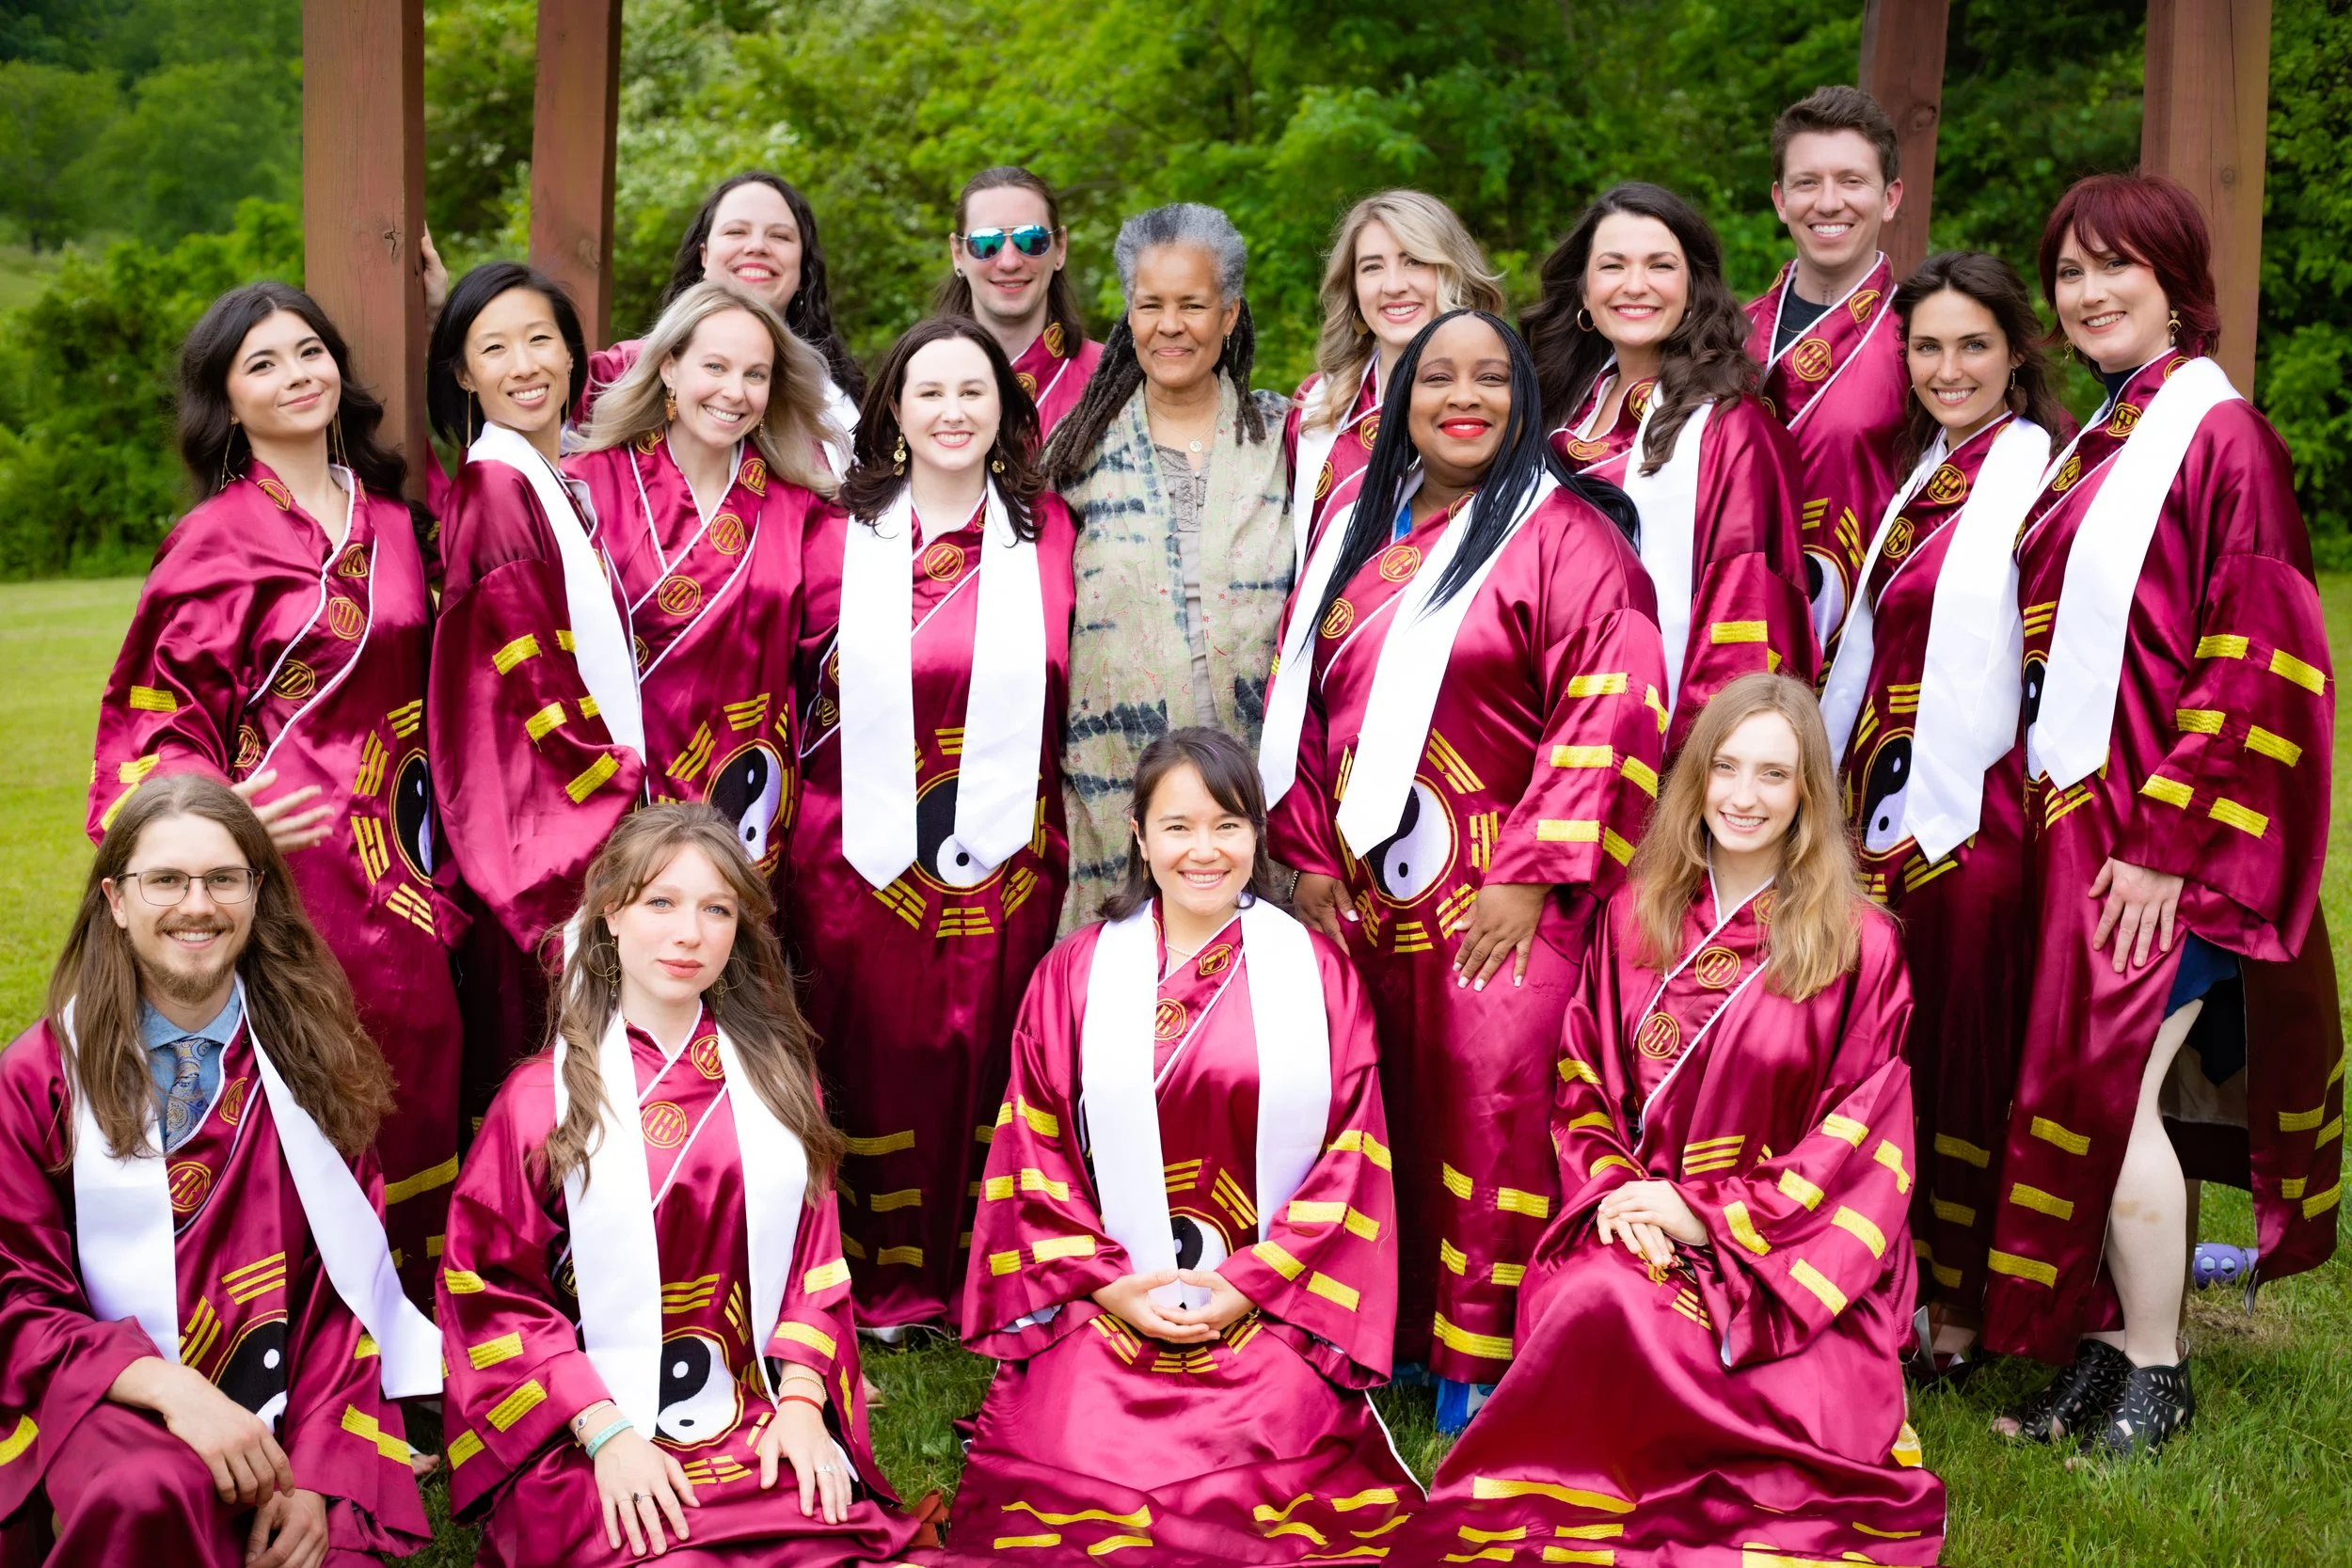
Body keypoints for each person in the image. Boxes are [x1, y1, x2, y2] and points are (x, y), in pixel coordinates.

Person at [1401, 673, 1945, 1564]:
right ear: (1693, 777)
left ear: (1809, 789)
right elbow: (1583, 1081)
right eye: (1724, 767)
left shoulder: (1859, 942)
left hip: (1784, 1259)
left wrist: (1708, 1216)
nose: (1742, 795)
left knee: (1758, 1375)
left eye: (1773, 774)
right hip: (1637, 1225)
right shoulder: (1635, 912)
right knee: (1595, 1297)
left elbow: (1863, 1135)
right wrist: (1617, 1195)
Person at [1263, 309, 1669, 1430]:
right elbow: (1301, 697)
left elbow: (1615, 693)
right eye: (1437, 375)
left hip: (1500, 892)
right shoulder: (1353, 518)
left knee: (1496, 1111)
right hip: (1361, 895)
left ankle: (1476, 1362)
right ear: (1399, 399)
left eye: (1491, 377)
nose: (1465, 396)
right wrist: (1300, 857)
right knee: (1377, 1111)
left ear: (1524, 398)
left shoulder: (1566, 532)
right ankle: (1383, 1332)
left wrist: (1533, 870)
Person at [1985, 173, 2339, 1458]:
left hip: (2155, 838)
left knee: (2119, 1089)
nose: (2087, 292)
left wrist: (2160, 841)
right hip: (2078, 822)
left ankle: (2156, 1364)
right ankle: (2103, 1336)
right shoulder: (2113, 431)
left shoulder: (2218, 436)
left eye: (2114, 266)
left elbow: (2253, 656)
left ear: (2175, 275)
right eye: (2069, 271)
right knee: (2082, 1087)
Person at [935, 729, 1421, 1565]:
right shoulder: (1077, 973)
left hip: (1268, 1304)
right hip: (1111, 1296)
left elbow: (1352, 1156)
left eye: (1228, 825)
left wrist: (1251, 1286)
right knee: (1080, 1458)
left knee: (1269, 1467)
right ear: (1138, 835)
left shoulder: (1317, 975)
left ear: (1256, 837)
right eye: (1178, 826)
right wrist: (1109, 1287)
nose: (1205, 850)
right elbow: (1034, 1148)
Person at [88, 281, 463, 1306]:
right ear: (227, 401)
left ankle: (417, 1319)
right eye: (262, 363)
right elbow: (155, 715)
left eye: (309, 351)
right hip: (287, 876)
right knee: (306, 1074)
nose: (296, 375)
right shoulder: (213, 538)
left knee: (421, 1064)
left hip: (407, 861)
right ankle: (306, 1321)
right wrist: (222, 806)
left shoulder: (398, 522)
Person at [437, 804, 922, 1564]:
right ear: (610, 912)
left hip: (751, 1408)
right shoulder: (540, 1102)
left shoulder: (778, 1086)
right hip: (590, 1428)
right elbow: (491, 1290)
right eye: (660, 901)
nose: (689, 933)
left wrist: (800, 1405)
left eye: (716, 908)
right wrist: (606, 1433)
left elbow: (814, 1266)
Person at [0, 773, 435, 1564]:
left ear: (257, 892)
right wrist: (170, 1389)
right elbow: (15, 1296)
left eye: (223, 878)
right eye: (165, 878)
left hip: (288, 1415)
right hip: (114, 1404)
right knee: (145, 1494)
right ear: (115, 898)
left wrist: (319, 1473)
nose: (196, 905)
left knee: (328, 1547)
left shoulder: (311, 1060)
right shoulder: (41, 1078)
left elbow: (345, 1289)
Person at [787, 316, 1077, 1333]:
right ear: (895, 414)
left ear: (1005, 410)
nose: (952, 410)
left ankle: (987, 1273)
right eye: (929, 392)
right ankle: (869, 1282)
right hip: (850, 861)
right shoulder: (830, 539)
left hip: (1010, 859)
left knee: (991, 1055)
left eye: (973, 391)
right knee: (873, 1058)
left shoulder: (1056, 537)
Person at [1815, 250, 2065, 1381]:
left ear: (2016, 350)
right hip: (1882, 798)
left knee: (1961, 1052)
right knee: (1889, 1052)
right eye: (1925, 346)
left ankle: (1962, 1308)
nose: (1947, 366)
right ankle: (1892, 1281)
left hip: (1970, 813)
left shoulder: (2036, 471)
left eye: (1972, 344)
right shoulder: (1930, 472)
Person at [561, 280, 839, 941]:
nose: (734, 391)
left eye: (756, 375)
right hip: (615, 810)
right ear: (669, 366)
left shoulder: (803, 508)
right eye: (714, 366)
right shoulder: (583, 484)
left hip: (748, 814)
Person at [1041, 203, 1293, 929]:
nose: (1170, 325)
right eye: (1151, 305)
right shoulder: (1076, 450)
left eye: (1193, 304)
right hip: (1113, 785)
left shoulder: (1286, 437)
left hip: (1258, 791)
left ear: (1230, 313)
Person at [1527, 182, 1816, 749]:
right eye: (1613, 266)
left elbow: (1744, 629)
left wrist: (1695, 774)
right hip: (1538, 727)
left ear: (1692, 287)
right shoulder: (1552, 411)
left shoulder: (1733, 430)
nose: (1636, 286)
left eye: (1660, 265)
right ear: (1583, 291)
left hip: (1653, 748)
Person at [423, 261, 606, 1113]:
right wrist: (623, 794)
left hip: (552, 817)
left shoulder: (548, 477)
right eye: (493, 348)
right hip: (546, 827)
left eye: (541, 339)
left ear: (575, 355)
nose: (524, 364)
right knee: (553, 1077)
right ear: (463, 373)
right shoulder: (497, 487)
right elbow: (534, 680)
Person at [1743, 85, 1913, 660]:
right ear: (1779, 199)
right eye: (1807, 182)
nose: (1829, 202)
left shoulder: (1924, 343)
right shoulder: (1722, 340)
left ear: (1890, 198)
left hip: (1868, 653)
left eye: (1852, 180)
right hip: (1728, 640)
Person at [1282, 190, 1507, 570]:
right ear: (1352, 288)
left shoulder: (1502, 401)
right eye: (1372, 267)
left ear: (1452, 271)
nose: (1393, 285)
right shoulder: (1317, 404)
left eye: (1414, 261)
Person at [580, 172, 865, 469]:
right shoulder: (617, 372)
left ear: (803, 269)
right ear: (704, 255)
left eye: (779, 236)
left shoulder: (840, 405)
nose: (757, 246)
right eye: (736, 232)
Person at [931, 165, 1104, 436]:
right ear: (958, 253)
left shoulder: (1109, 381)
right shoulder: (918, 383)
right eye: (986, 243)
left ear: (1060, 248)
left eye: (1031, 239)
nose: (1009, 262)